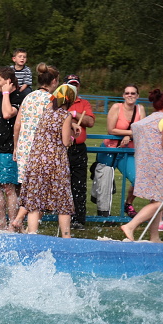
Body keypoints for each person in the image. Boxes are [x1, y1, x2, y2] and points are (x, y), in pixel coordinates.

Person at [121, 90, 163, 242]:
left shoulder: (148, 119)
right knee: (161, 202)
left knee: (156, 201)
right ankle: (131, 226)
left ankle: (154, 237)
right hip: (159, 165)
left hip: (143, 163)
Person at [20, 84, 80, 238]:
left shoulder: (46, 110)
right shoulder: (66, 115)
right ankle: (66, 237)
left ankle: (31, 235)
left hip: (36, 160)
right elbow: (65, 141)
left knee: (35, 201)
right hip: (55, 162)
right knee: (63, 201)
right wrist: (73, 137)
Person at [11, 63, 60, 230]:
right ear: (54, 81)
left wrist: (16, 147)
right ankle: (24, 223)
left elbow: (17, 125)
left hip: (25, 149)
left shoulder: (28, 97)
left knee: (29, 188)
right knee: (41, 191)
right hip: (42, 150)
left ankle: (24, 224)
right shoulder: (53, 100)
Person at [0, 67, 24, 229]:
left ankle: (12, 224)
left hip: (8, 149)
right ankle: (1, 221)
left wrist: (6, 93)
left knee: (9, 188)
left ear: (8, 81)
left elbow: (8, 113)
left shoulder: (18, 97)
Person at [97, 84, 145, 218]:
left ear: (137, 96)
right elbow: (111, 129)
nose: (130, 95)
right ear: (123, 95)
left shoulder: (140, 109)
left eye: (133, 93)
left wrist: (129, 136)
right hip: (110, 149)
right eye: (127, 93)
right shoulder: (116, 107)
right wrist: (130, 133)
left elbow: (142, 131)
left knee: (138, 179)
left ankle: (128, 203)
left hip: (127, 152)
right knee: (104, 182)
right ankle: (103, 213)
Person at [64, 74, 95, 230]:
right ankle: (63, 216)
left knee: (79, 184)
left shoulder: (84, 103)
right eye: (71, 85)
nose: (74, 87)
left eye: (75, 84)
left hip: (78, 148)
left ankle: (79, 219)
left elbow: (90, 121)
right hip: (63, 148)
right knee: (62, 184)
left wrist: (74, 115)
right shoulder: (60, 102)